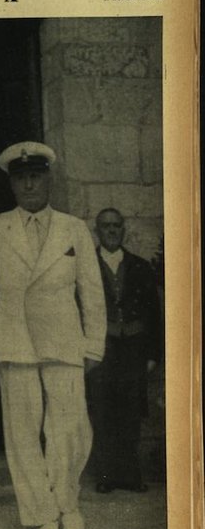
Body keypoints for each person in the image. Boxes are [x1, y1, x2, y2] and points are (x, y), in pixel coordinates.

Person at [0, 142, 106, 529]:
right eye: (21, 178)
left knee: (71, 427)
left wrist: (93, 344)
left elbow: (91, 291)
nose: (29, 185)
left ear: (48, 180)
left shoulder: (73, 228)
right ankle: (41, 513)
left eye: (35, 177)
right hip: (13, 339)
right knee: (22, 430)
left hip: (64, 340)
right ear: (11, 184)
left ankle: (67, 504)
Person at [87, 208, 162, 493]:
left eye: (116, 225)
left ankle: (131, 476)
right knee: (103, 410)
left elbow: (154, 314)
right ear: (97, 231)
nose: (111, 230)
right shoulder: (86, 265)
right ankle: (106, 476)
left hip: (133, 349)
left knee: (131, 412)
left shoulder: (140, 266)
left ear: (123, 230)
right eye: (105, 226)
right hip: (101, 348)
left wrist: (153, 354)